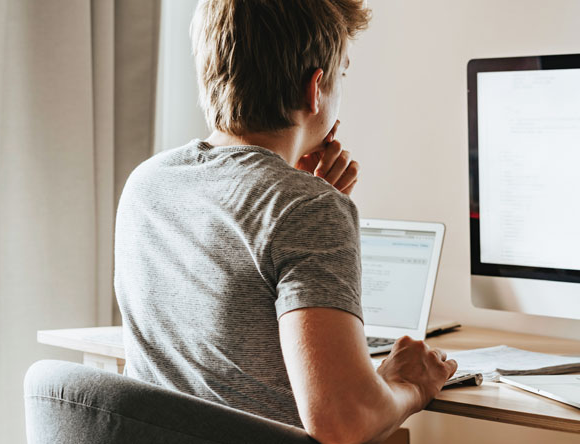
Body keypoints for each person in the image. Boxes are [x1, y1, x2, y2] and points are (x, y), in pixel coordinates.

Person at [114, 1, 457, 443]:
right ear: (315, 89)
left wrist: (300, 189)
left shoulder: (147, 183)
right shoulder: (306, 207)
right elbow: (343, 421)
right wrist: (409, 384)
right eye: (343, 75)